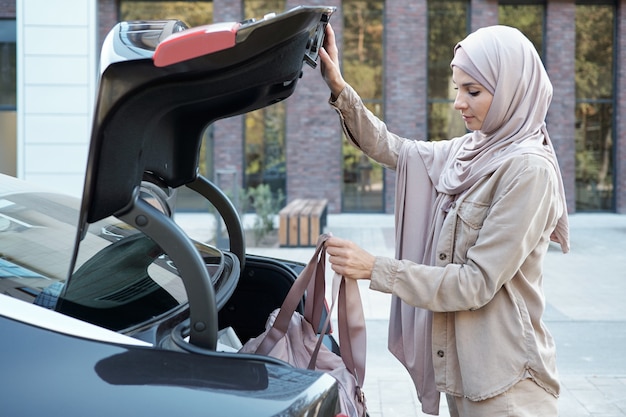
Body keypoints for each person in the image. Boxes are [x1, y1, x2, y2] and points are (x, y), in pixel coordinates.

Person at [318, 23, 569, 417]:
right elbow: (394, 149)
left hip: (507, 389)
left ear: (510, 91)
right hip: (465, 377)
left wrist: (375, 269)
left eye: (473, 91)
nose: (458, 103)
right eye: (457, 88)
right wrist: (339, 88)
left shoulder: (527, 171)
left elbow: (474, 283)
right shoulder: (474, 149)